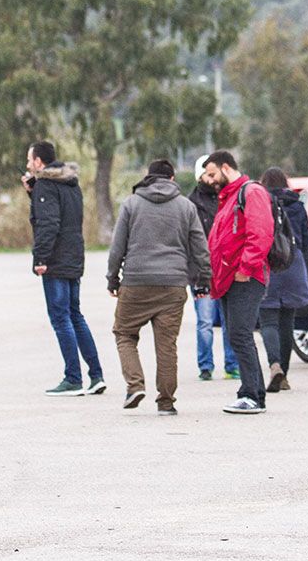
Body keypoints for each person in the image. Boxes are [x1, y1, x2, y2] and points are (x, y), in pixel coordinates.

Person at [105, 159, 211, 416]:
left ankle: (135, 385)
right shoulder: (186, 206)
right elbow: (200, 246)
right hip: (173, 284)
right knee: (167, 344)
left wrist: (112, 278)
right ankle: (166, 402)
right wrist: (204, 279)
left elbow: (117, 246)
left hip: (137, 282)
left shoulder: (132, 204)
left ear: (148, 177)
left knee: (125, 333)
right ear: (172, 179)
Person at [26, 141, 105, 397]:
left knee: (60, 318)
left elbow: (48, 223)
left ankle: (73, 378)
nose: (28, 165)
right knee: (75, 315)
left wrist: (40, 258)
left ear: (39, 162)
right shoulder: (70, 184)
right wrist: (32, 193)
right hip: (73, 257)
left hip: (56, 261)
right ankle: (96, 375)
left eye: (30, 160)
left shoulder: (46, 185)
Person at [201, 151, 274, 415]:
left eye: (211, 174)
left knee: (241, 335)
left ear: (225, 167)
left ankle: (252, 395)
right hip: (229, 279)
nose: (208, 180)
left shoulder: (250, 192)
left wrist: (246, 267)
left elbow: (260, 232)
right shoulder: (229, 197)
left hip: (246, 277)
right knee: (236, 335)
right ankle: (251, 392)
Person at [257, 167, 308, 394]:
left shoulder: (260, 203)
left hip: (267, 264)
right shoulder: (297, 205)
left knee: (268, 320)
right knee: (287, 322)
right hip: (292, 264)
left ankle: (274, 366)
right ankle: (285, 375)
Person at [188, 156, 238, 381]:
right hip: (202, 271)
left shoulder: (229, 197)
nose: (212, 179)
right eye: (208, 175)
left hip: (226, 268)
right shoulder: (192, 204)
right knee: (205, 321)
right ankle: (205, 365)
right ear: (200, 176)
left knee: (229, 320)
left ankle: (232, 364)